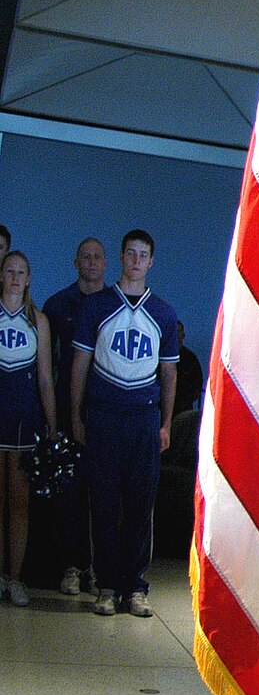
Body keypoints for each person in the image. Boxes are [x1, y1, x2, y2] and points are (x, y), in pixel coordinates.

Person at [69, 230, 178, 619]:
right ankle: (107, 585)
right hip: (103, 415)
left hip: (143, 419)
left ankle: (136, 587)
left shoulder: (163, 313)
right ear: (121, 258)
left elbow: (168, 373)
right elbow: (79, 365)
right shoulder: (97, 306)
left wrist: (165, 423)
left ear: (151, 262)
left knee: (139, 505)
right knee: (102, 503)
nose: (136, 260)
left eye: (143, 255)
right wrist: (76, 414)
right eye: (130, 253)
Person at [41, 237, 105, 597]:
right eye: (86, 257)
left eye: (97, 257)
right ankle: (71, 566)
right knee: (69, 494)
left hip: (103, 413)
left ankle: (97, 566)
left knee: (103, 494)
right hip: (67, 413)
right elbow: (47, 363)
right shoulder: (56, 306)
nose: (92, 263)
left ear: (105, 264)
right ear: (75, 262)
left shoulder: (114, 304)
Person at [0, 252, 57, 606]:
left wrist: (51, 425)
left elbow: (46, 379)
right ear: (1, 276)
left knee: (20, 502)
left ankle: (16, 578)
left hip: (24, 419)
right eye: (9, 271)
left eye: (22, 272)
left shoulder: (38, 321)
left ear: (29, 278)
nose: (15, 278)